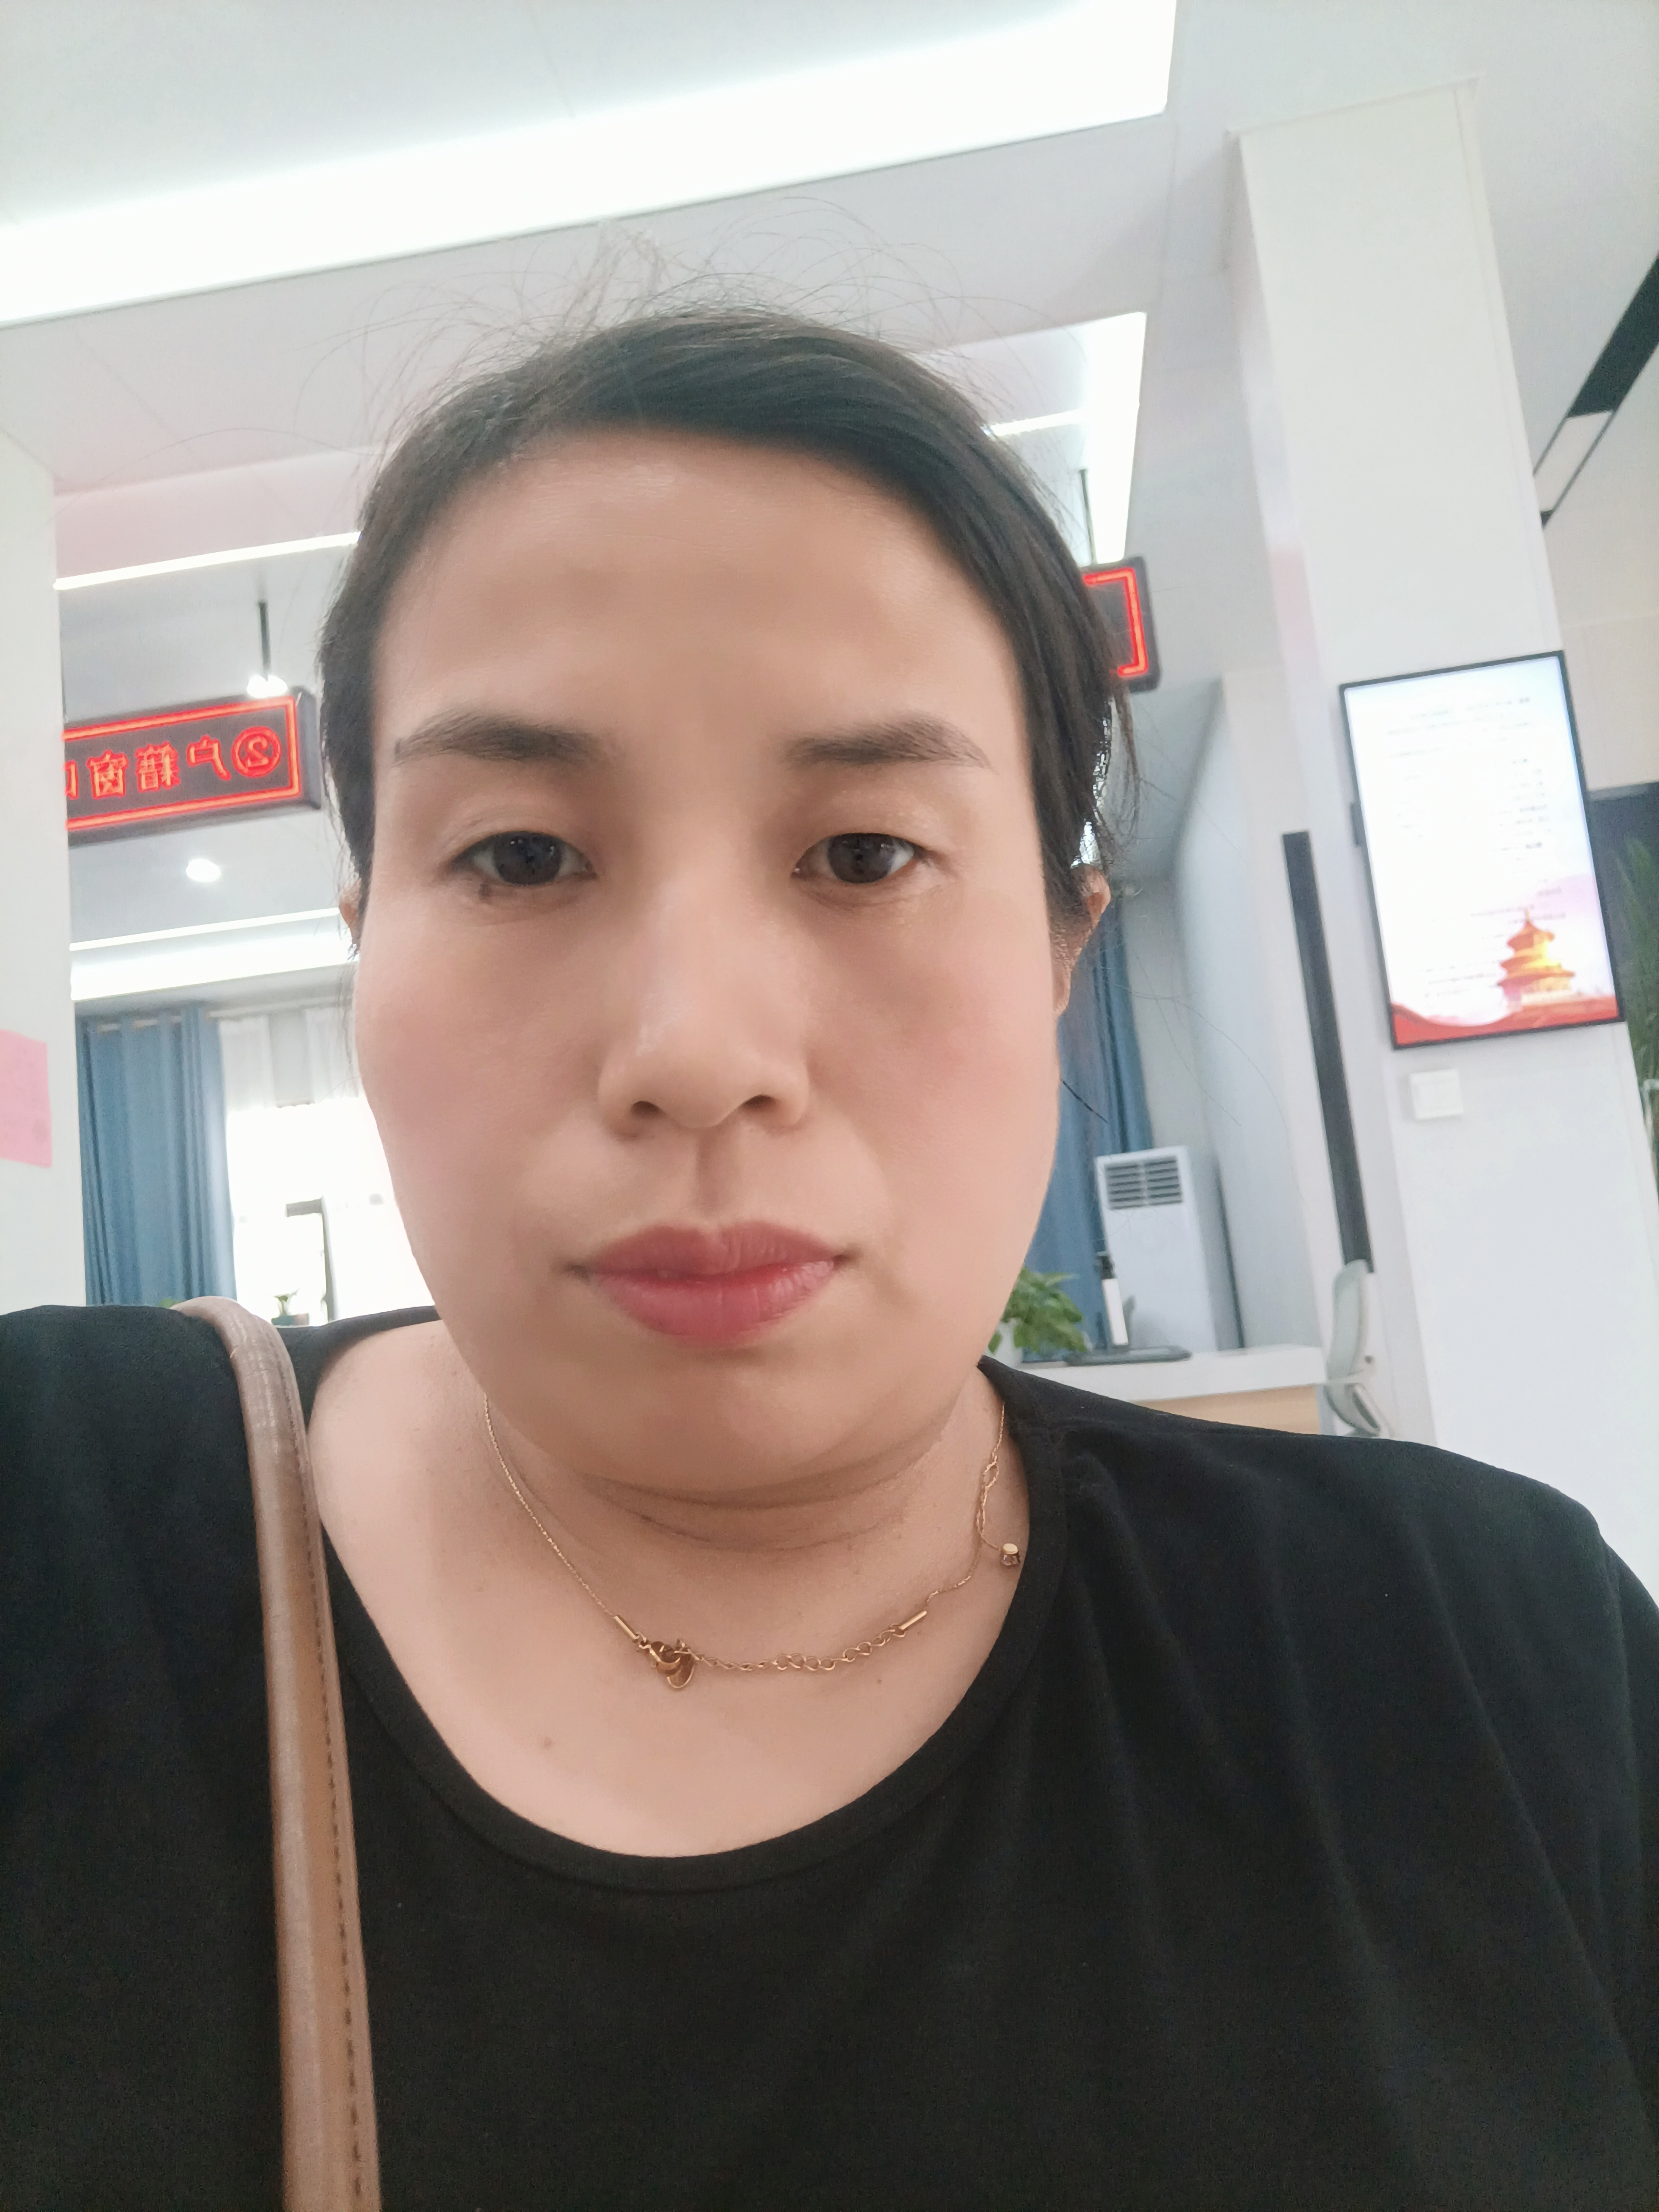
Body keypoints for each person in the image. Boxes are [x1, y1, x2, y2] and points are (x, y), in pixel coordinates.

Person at [2, 307, 1655, 2210]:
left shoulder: (1478, 1661)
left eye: (866, 852)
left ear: (1064, 946)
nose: (698, 1053)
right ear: (365, 932)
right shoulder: (54, 1530)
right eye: (523, 857)